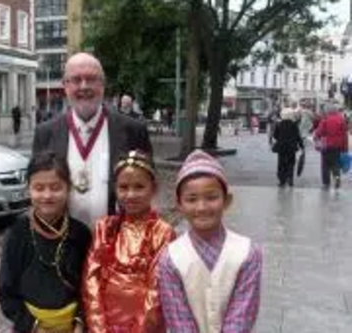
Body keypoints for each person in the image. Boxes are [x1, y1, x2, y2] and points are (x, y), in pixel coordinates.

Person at [32, 52, 153, 228]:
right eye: (76, 80)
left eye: (91, 79)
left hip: (116, 244)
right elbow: (38, 188)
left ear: (102, 85)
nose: (84, 86)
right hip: (64, 244)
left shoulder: (133, 130)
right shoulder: (45, 133)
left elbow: (147, 186)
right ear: (65, 86)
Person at [157, 150, 262, 333]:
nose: (202, 207)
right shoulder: (170, 258)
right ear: (179, 204)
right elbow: (178, 320)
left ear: (227, 200)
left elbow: (242, 316)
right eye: (191, 199)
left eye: (211, 197)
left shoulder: (247, 253)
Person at [82, 150, 175, 333]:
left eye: (139, 187)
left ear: (153, 188)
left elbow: (157, 291)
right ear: (115, 189)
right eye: (123, 187)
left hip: (145, 325)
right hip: (105, 324)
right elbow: (91, 279)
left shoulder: (163, 232)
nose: (131, 195)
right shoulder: (104, 228)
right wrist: (98, 326)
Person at [0, 152, 92, 333]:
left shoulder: (80, 234)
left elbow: (89, 287)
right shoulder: (17, 234)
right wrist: (33, 327)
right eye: (39, 188)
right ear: (28, 189)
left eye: (56, 187)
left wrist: (80, 321)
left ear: (69, 188)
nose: (47, 195)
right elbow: (7, 294)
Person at [314, 101, 349, 189]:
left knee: (325, 164)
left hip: (326, 145)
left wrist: (316, 137)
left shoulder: (325, 119)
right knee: (336, 163)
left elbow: (319, 132)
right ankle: (336, 177)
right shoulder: (341, 119)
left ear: (327, 111)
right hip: (338, 146)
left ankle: (326, 183)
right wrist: (345, 147)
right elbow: (345, 135)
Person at [272, 108, 304, 187]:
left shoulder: (279, 124)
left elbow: (275, 136)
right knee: (291, 163)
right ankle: (290, 178)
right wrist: (301, 146)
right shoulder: (294, 125)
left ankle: (282, 180)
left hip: (281, 147)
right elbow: (298, 137)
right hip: (291, 147)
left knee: (281, 163)